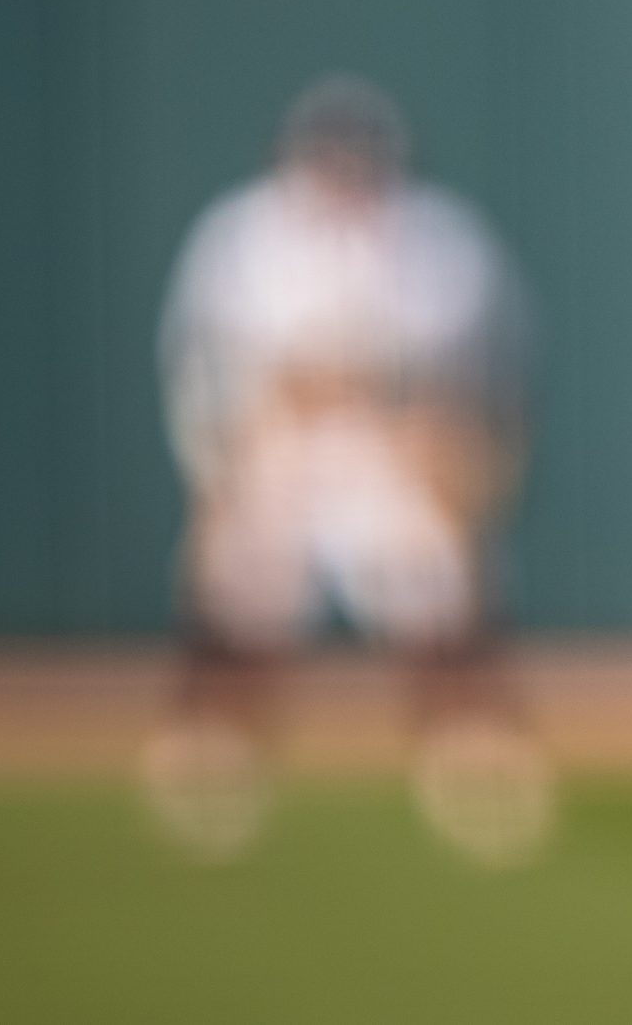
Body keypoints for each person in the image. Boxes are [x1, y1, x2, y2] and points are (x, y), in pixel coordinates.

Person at [143, 75, 549, 864]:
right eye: (329, 158)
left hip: (385, 452)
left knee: (440, 602)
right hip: (277, 452)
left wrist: (466, 462)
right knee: (238, 603)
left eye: (360, 158)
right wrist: (216, 474)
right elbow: (209, 373)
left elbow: (462, 382)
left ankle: (473, 762)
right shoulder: (242, 235)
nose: (345, 174)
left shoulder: (436, 238)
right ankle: (208, 761)